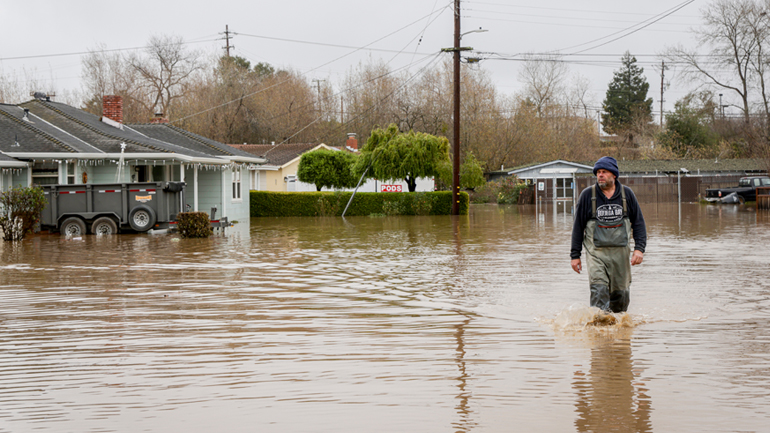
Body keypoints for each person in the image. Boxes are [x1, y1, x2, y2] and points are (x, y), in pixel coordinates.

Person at [570, 156, 646, 313]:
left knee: (621, 298)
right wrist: (574, 255)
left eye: (604, 172)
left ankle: (618, 334)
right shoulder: (587, 195)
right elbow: (578, 227)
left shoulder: (627, 195)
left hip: (621, 257)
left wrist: (639, 249)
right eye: (598, 172)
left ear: (614, 175)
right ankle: (599, 333)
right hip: (596, 255)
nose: (600, 175)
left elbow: (638, 223)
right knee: (599, 292)